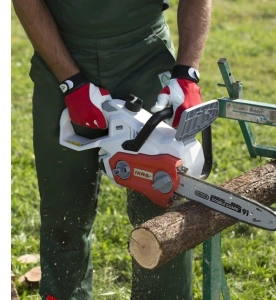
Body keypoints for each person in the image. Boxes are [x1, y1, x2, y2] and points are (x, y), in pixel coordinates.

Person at [12, 0, 212, 299]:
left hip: (144, 56)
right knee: (64, 205)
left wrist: (186, 74)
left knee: (161, 205)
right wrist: (70, 81)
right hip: (60, 52)